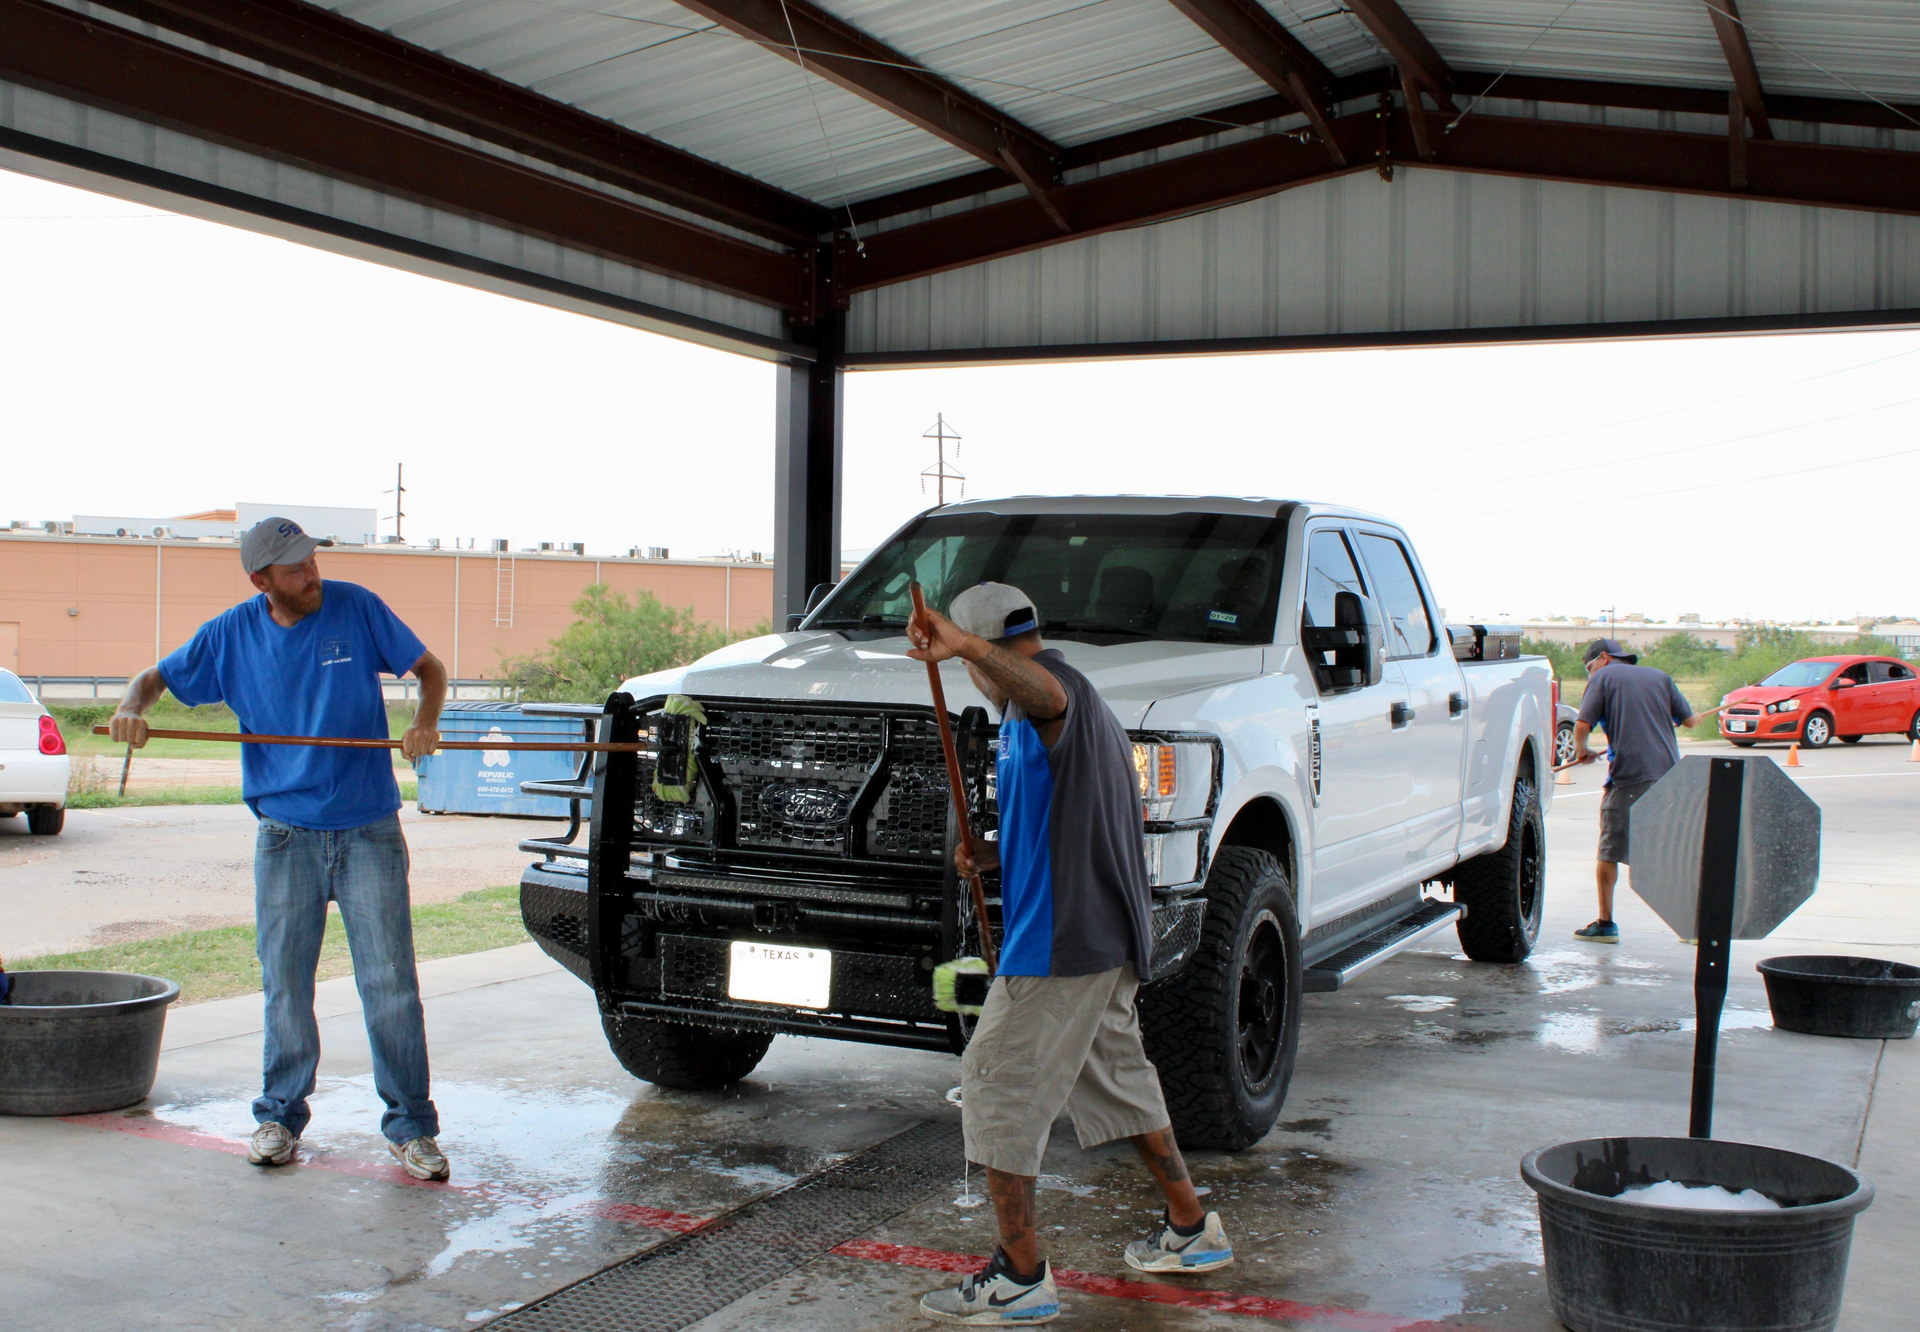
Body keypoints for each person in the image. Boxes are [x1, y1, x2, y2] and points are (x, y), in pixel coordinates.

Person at [907, 582, 1232, 1326]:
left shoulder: (1058, 696)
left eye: (970, 661)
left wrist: (962, 644)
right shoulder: (1036, 719)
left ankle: (1020, 1277)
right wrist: (989, 855)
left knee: (992, 1085)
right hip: (1094, 934)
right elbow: (1066, 826)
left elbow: (1042, 687)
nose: (969, 677)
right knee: (1119, 1083)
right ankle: (1192, 1229)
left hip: (1062, 942)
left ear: (990, 650)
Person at [110, 517, 452, 1180]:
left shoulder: (356, 606)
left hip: (369, 831)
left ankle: (412, 1126)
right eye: (294, 568)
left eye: (312, 561)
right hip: (284, 836)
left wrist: (425, 721)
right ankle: (279, 1117)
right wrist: (132, 705)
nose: (311, 575)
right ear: (261, 580)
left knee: (390, 987)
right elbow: (153, 679)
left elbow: (430, 670)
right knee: (285, 987)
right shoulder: (231, 634)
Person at [1568, 637, 1704, 944]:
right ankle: (1693, 926)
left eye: (1590, 668)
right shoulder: (1660, 676)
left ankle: (1605, 924)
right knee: (1673, 851)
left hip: (1631, 777)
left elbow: (1581, 725)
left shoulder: (1604, 677)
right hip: (1671, 777)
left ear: (1603, 658)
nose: (1591, 674)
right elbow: (1692, 722)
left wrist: (1582, 751)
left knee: (1609, 849)